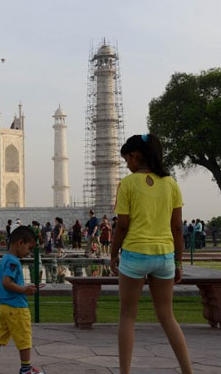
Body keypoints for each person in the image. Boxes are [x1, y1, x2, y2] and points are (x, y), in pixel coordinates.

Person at [110, 134, 192, 374]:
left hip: (135, 254)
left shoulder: (128, 184)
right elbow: (177, 228)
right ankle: (187, 370)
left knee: (127, 316)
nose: (127, 165)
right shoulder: (171, 184)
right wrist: (178, 261)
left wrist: (113, 253)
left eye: (127, 159)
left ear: (135, 156)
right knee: (167, 317)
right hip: (164, 256)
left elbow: (122, 226)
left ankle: (125, 372)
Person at [0, 226, 44, 374]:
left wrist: (25, 287)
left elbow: (9, 283)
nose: (29, 252)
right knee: (25, 339)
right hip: (16, 308)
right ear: (20, 243)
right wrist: (25, 290)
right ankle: (26, 369)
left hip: (3, 308)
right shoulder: (14, 262)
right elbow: (7, 283)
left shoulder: (6, 259)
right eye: (29, 248)